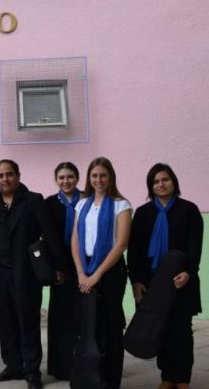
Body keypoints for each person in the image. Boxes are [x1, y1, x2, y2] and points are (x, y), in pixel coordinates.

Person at [0, 159, 63, 389]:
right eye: (0, 175)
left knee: (28, 322)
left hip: (26, 274)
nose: (5, 179)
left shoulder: (33, 200)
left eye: (9, 174)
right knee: (5, 323)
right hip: (0, 273)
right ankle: (13, 366)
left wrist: (58, 266)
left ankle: (32, 371)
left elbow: (50, 233)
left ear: (18, 175)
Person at [128, 164, 203, 389]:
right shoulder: (143, 213)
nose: (161, 185)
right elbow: (135, 251)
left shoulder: (189, 210)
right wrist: (136, 281)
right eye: (156, 181)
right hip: (152, 283)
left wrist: (189, 272)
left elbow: (194, 246)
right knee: (160, 330)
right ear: (151, 186)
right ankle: (167, 377)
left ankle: (182, 379)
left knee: (181, 331)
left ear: (174, 182)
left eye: (165, 179)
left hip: (181, 281)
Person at [70, 157, 132, 389]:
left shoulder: (121, 205)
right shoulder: (81, 203)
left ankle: (110, 380)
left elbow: (121, 244)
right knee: (88, 327)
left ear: (110, 177)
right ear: (89, 178)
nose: (98, 180)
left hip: (111, 273)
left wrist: (97, 276)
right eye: (94, 176)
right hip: (84, 270)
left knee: (111, 327)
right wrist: (80, 273)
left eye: (103, 175)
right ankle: (90, 377)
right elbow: (75, 238)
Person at [44, 162, 82, 380]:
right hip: (60, 267)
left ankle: (83, 362)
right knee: (61, 315)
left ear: (77, 178)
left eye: (70, 177)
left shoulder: (87, 200)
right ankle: (60, 366)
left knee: (82, 315)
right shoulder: (49, 203)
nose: (66, 181)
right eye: (61, 177)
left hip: (84, 265)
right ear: (56, 180)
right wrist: (55, 267)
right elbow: (47, 236)